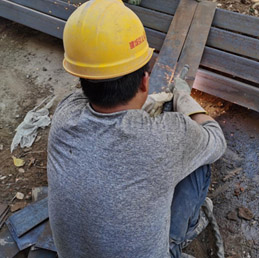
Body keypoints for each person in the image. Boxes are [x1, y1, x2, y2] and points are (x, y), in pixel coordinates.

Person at [47, 0, 226, 257]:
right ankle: (182, 235)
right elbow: (216, 140)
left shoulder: (65, 115)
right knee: (200, 164)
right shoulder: (170, 136)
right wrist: (186, 103)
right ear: (145, 81)